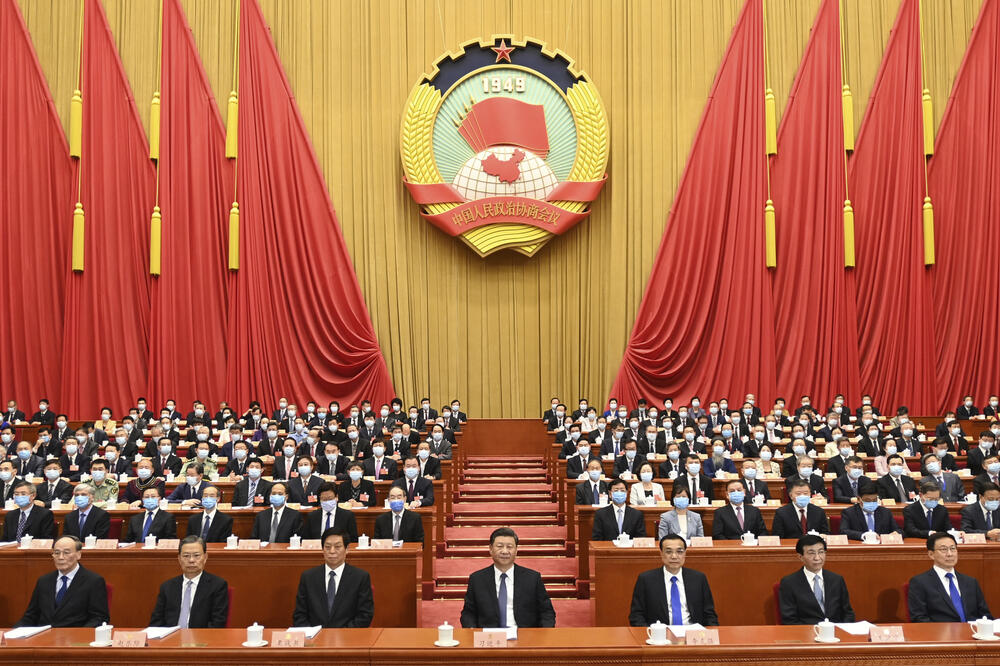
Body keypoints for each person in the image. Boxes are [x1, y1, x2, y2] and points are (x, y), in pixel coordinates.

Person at [460, 527, 555, 628]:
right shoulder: (477, 579)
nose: (505, 551)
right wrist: (471, 631)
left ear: (516, 550)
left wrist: (544, 634)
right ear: (491, 549)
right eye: (499, 546)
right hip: (490, 637)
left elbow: (547, 612)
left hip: (524, 637)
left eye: (509, 547)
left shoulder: (532, 578)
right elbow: (468, 613)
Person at [16, 536, 109, 627]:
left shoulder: (93, 581)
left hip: (74, 639)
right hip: (44, 637)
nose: (60, 557)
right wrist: (12, 633)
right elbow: (31, 616)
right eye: (57, 553)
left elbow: (99, 618)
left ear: (78, 554)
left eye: (66, 552)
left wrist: (80, 637)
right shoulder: (44, 581)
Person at [628, 534, 718, 626]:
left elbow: (709, 614)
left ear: (685, 553)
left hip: (692, 633)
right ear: (661, 554)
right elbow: (636, 616)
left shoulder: (698, 578)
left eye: (679, 552)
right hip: (660, 636)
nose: (674, 556)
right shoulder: (646, 579)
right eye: (668, 552)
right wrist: (652, 633)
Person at [292, 528, 374, 627]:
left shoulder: (360, 577)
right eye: (327, 547)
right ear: (322, 549)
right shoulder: (308, 577)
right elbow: (299, 615)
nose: (332, 551)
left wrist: (342, 635)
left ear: (347, 549)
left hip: (347, 638)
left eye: (337, 547)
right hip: (315, 638)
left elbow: (365, 615)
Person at [908, 532, 992, 622]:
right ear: (931, 554)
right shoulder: (919, 582)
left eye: (953, 549)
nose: (950, 554)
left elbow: (985, 615)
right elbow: (919, 618)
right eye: (944, 549)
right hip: (939, 634)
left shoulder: (971, 582)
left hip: (972, 633)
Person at [148, 536, 229, 628]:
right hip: (171, 639)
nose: (191, 560)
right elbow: (156, 622)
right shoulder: (167, 586)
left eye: (196, 555)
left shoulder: (217, 585)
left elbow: (218, 623)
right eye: (186, 556)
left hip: (201, 639)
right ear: (179, 559)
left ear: (205, 557)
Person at [778, 535, 855, 624]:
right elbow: (789, 620)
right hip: (806, 634)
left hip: (836, 633)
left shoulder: (837, 579)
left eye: (821, 552)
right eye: (811, 553)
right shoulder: (789, 583)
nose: (817, 558)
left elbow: (848, 613)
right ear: (800, 557)